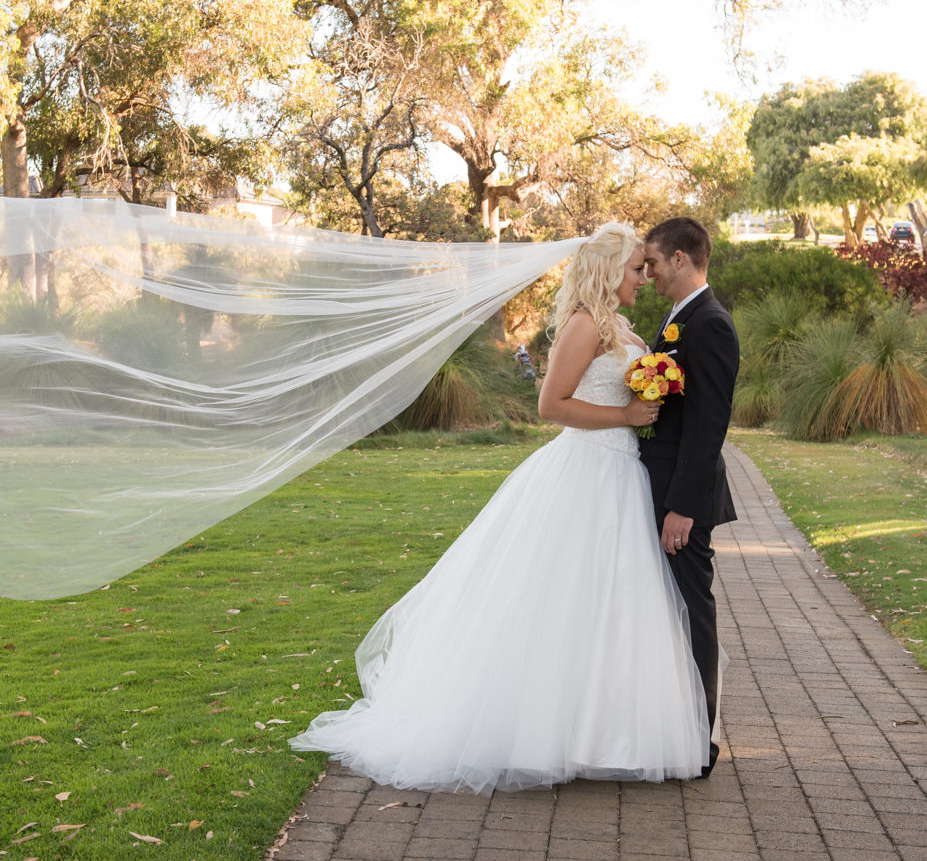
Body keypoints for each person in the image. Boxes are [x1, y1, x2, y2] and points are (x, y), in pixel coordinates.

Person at [290, 223, 710, 794]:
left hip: (622, 477)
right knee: (560, 602)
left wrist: (649, 401)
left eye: (645, 267)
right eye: (637, 267)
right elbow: (550, 405)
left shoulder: (622, 326)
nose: (644, 276)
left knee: (608, 603)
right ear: (610, 270)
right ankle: (545, 734)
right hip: (585, 471)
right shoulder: (586, 324)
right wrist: (626, 416)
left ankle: (601, 732)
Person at [638, 217, 740, 778]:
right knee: (669, 612)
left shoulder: (711, 325)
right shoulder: (678, 318)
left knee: (693, 612)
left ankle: (700, 742)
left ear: (681, 259)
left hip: (682, 500)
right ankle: (672, 728)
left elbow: (707, 426)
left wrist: (682, 506)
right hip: (658, 487)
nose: (648, 273)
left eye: (652, 262)